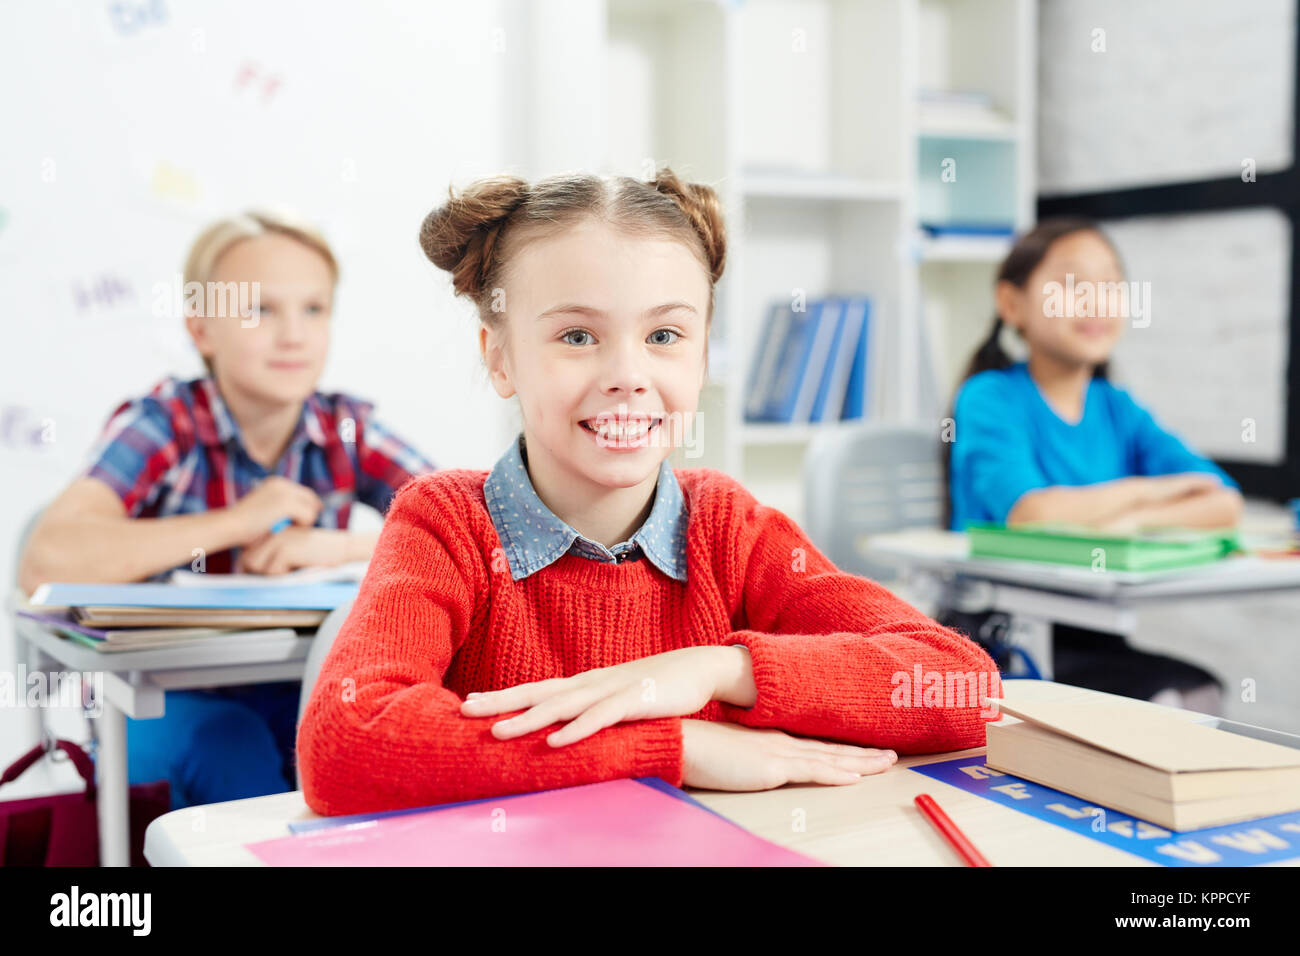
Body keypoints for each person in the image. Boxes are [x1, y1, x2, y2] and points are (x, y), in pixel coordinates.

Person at [297, 168, 1001, 816]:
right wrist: (672, 750)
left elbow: (963, 687)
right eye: (577, 335)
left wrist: (715, 669)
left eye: (664, 334)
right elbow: (346, 744)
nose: (628, 374)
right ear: (500, 356)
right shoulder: (445, 525)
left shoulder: (731, 528)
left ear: (700, 353)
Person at [19, 210, 436, 808]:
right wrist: (238, 521)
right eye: (259, 310)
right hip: (159, 701)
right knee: (230, 746)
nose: (293, 334)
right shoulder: (164, 422)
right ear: (202, 330)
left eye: (313, 309)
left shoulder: (345, 426)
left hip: (299, 682)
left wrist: (341, 546)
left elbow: (472, 526)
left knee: (375, 737)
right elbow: (47, 560)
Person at [943, 217, 1243, 713]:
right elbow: (1031, 513)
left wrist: (1133, 521)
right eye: (1071, 285)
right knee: (1172, 700)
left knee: (1198, 693)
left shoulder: (1116, 406)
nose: (1096, 301)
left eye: (1110, 285)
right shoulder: (990, 397)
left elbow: (1223, 502)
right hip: (995, 638)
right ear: (1012, 304)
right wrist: (1148, 492)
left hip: (1092, 631)